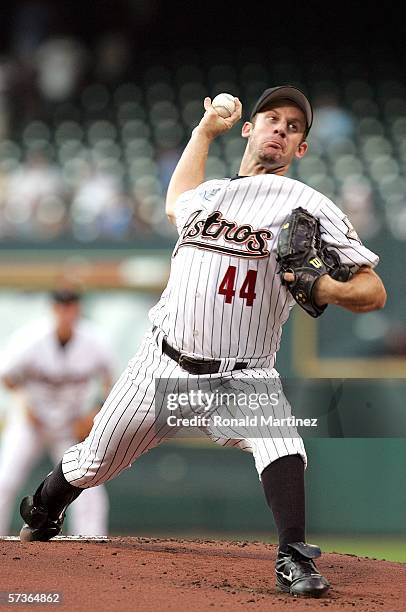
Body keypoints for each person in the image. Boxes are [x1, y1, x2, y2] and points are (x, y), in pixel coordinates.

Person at [18, 86, 386, 597]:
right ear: (249, 130)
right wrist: (203, 131)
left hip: (242, 374)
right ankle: (44, 505)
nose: (280, 128)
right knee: (92, 461)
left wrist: (326, 286)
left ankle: (294, 556)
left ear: (300, 149)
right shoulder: (207, 195)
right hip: (159, 366)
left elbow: (374, 289)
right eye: (271, 119)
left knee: (282, 440)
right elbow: (175, 199)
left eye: (293, 126)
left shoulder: (308, 204)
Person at [0, 287, 114, 536]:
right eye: (61, 306)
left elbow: (110, 380)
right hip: (32, 422)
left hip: (69, 425)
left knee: (87, 482)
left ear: (78, 309)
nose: (66, 312)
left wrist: (94, 413)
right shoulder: (30, 338)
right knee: (5, 479)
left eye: (70, 306)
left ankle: (91, 539)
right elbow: (7, 377)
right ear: (53, 309)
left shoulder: (95, 340)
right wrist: (22, 402)